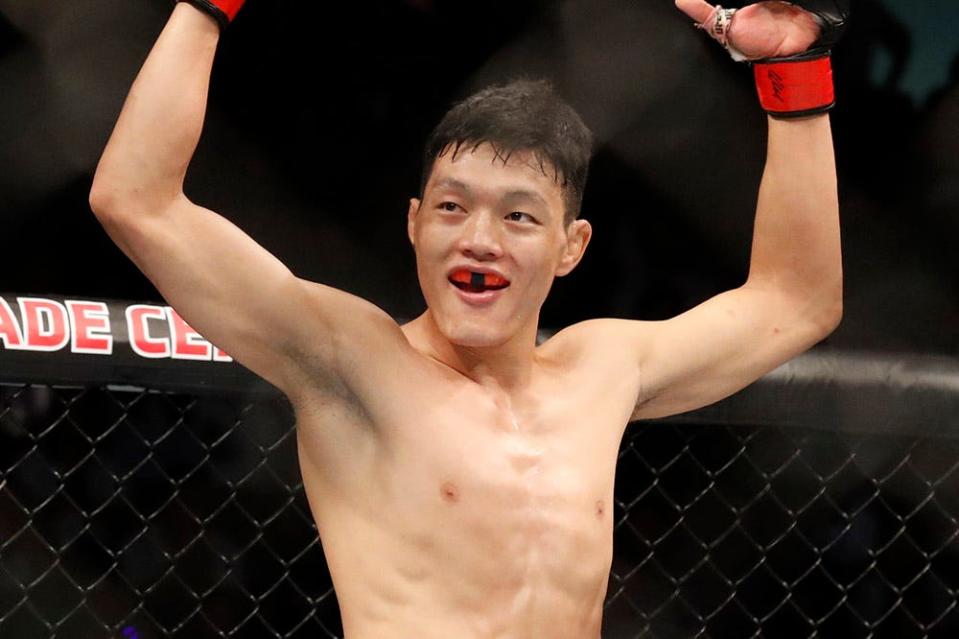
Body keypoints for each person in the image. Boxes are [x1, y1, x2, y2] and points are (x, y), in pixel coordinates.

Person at [88, 0, 844, 636]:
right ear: (415, 222)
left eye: (518, 216)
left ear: (570, 246)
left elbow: (794, 299)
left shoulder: (603, 371)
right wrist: (204, 7)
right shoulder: (351, 359)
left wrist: (797, 73)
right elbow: (137, 199)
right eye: (452, 206)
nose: (477, 238)